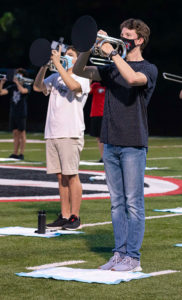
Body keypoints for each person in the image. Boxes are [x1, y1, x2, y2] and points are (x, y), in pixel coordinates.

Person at [73, 18, 158, 270]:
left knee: (133, 202)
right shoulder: (111, 70)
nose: (122, 38)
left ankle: (133, 257)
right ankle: (119, 253)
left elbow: (132, 79)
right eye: (120, 34)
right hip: (110, 142)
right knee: (117, 202)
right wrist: (89, 46)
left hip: (133, 143)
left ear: (139, 40)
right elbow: (79, 71)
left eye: (127, 35)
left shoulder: (148, 68)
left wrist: (112, 53)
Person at [33, 45, 90, 230]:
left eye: (71, 55)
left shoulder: (83, 77)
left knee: (71, 175)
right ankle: (64, 215)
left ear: (78, 60)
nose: (66, 57)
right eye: (65, 54)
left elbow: (73, 87)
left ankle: (75, 217)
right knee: (60, 177)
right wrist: (43, 66)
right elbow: (37, 87)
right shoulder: (56, 76)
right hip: (53, 132)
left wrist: (58, 65)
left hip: (70, 132)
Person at [0, 68, 31, 160]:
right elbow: (1, 92)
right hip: (13, 113)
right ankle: (15, 153)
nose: (17, 76)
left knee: (22, 133)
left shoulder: (27, 85)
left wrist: (17, 82)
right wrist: (2, 82)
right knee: (15, 133)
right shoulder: (12, 87)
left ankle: (21, 153)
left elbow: (23, 91)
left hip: (21, 112)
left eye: (19, 75)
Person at [89, 81, 105, 162]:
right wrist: (90, 80)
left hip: (106, 114)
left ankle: (108, 156)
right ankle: (103, 157)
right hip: (96, 114)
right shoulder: (95, 85)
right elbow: (87, 91)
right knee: (99, 138)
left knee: (107, 138)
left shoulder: (108, 85)